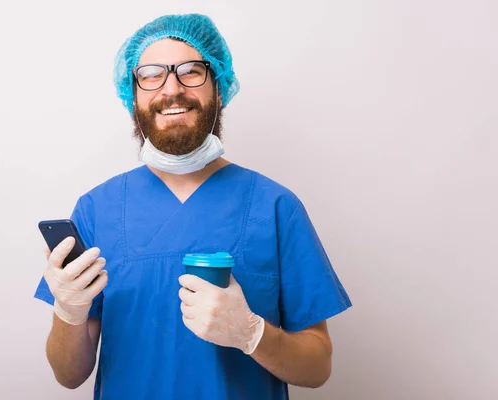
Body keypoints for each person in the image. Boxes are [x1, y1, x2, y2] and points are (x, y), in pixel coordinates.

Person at [34, 13, 352, 400]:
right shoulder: (96, 210)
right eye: (151, 75)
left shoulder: (275, 207)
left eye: (191, 71)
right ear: (133, 96)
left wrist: (252, 334)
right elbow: (69, 376)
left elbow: (318, 368)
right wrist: (68, 313)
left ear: (218, 89)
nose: (172, 88)